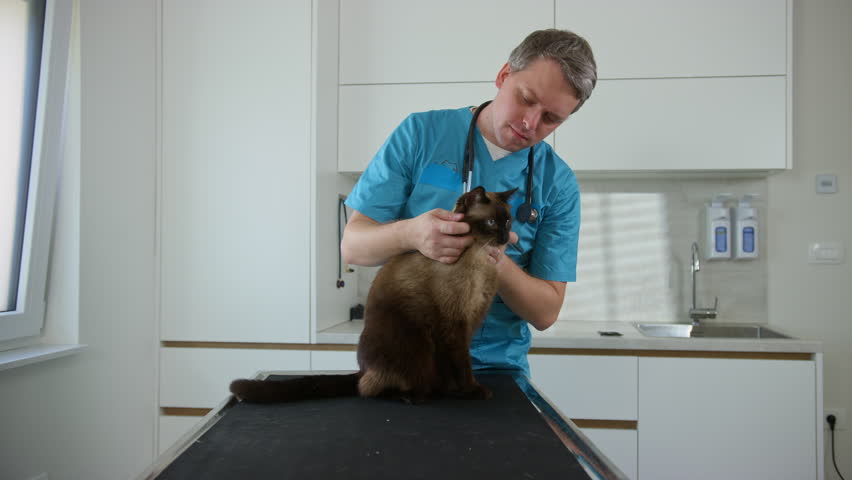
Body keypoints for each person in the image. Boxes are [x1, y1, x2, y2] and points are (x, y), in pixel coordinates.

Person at [341, 29, 597, 378]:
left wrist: (495, 260)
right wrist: (412, 235)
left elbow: (545, 312)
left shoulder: (558, 182)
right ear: (504, 75)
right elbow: (354, 248)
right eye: (526, 99)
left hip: (496, 369)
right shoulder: (421, 133)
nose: (530, 123)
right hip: (409, 360)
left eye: (551, 119)